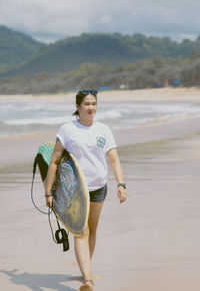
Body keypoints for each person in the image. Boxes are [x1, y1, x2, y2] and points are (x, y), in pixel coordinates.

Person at [45, 89, 127, 291]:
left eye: (94, 104)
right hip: (74, 190)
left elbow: (114, 159)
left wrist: (121, 184)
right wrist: (48, 192)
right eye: (87, 104)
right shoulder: (67, 130)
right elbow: (54, 161)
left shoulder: (104, 130)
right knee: (81, 231)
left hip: (98, 187)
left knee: (92, 231)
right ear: (77, 107)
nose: (91, 108)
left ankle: (85, 269)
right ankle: (88, 280)